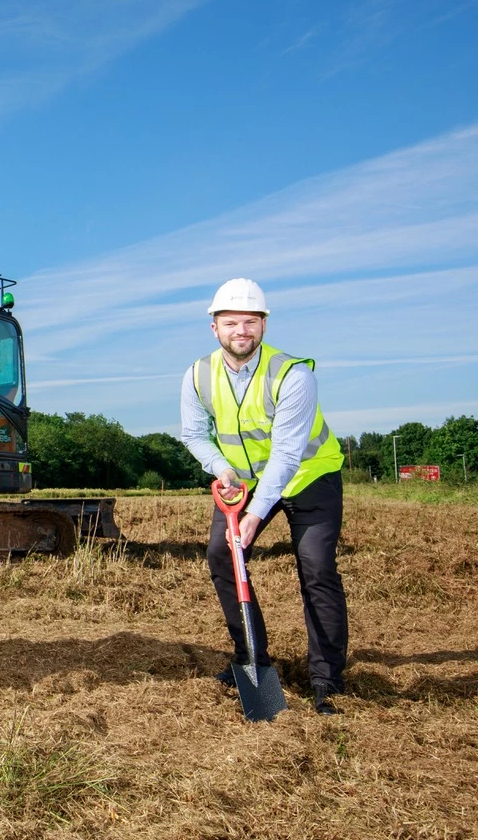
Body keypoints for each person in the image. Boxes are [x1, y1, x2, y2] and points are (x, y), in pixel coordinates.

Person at [180, 278, 348, 715]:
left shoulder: (293, 373)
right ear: (214, 327)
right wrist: (223, 469)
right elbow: (194, 434)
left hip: (310, 477)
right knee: (222, 555)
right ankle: (250, 658)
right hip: (247, 482)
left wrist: (254, 515)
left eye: (251, 321)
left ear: (264, 325)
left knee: (316, 569)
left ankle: (327, 679)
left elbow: (289, 453)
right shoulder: (198, 375)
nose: (242, 330)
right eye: (231, 321)